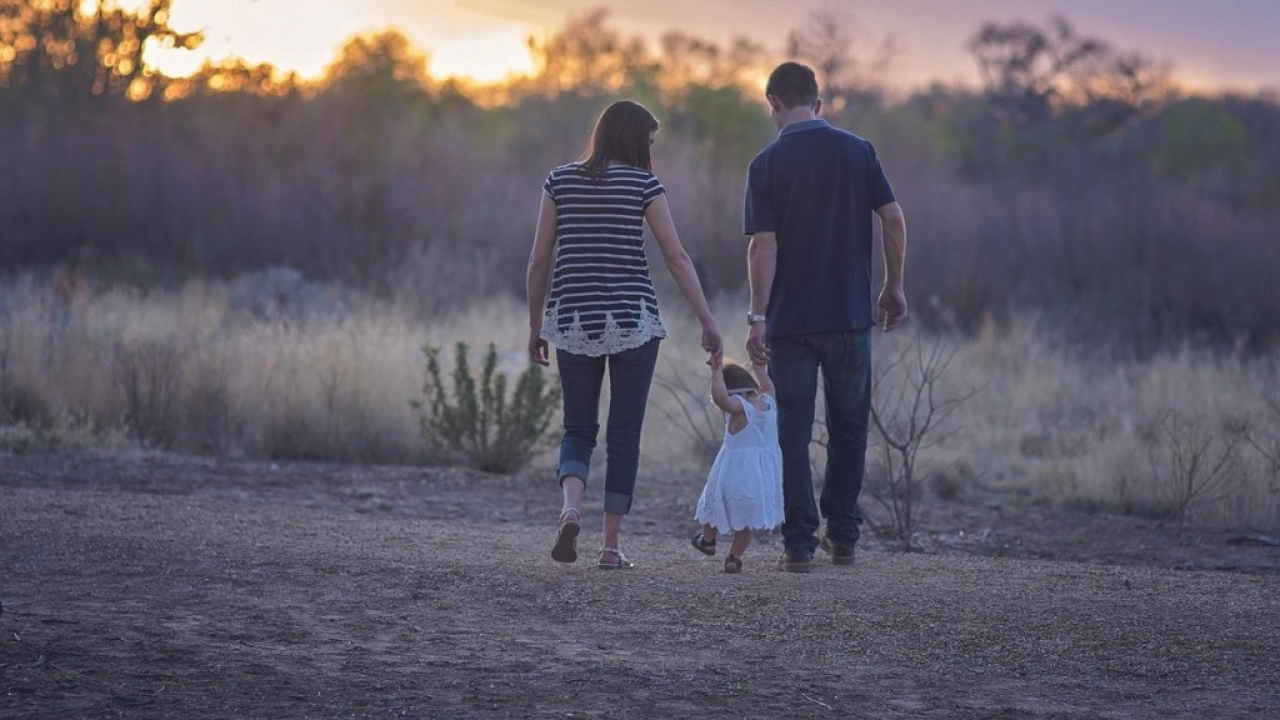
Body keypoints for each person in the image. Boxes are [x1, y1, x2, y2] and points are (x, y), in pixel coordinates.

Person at [527, 99, 723, 570]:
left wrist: (536, 326)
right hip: (634, 321)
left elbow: (538, 261)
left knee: (577, 427)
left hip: (573, 320)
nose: (651, 151)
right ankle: (610, 547)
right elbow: (676, 258)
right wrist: (708, 321)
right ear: (635, 139)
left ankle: (571, 508)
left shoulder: (559, 181)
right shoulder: (644, 184)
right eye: (650, 141)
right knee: (624, 436)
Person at [743, 61, 908, 573]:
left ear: (772, 103)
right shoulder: (858, 151)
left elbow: (762, 248)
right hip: (850, 316)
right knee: (850, 426)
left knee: (792, 431)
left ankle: (797, 545)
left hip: (791, 322)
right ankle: (844, 537)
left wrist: (757, 316)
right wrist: (893, 284)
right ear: (818, 102)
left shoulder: (765, 164)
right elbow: (893, 217)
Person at [690, 358, 783, 574]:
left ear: (732, 392)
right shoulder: (769, 403)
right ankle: (734, 558)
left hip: (733, 473)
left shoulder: (739, 408)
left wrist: (715, 372)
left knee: (710, 507)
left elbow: (720, 397)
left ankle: (709, 541)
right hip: (759, 478)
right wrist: (760, 369)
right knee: (745, 524)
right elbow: (769, 387)